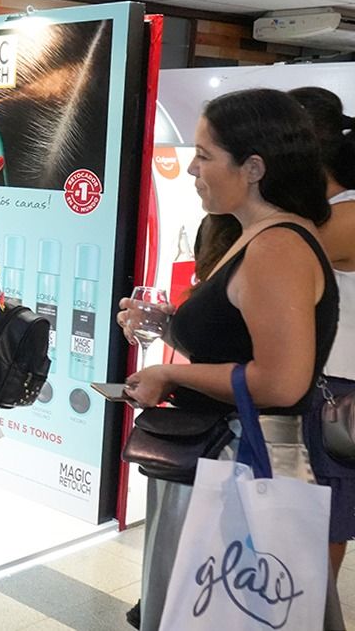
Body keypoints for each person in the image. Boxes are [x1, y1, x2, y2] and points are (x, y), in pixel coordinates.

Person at [117, 88, 341, 630]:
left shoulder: (276, 247)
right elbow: (236, 345)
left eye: (204, 154)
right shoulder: (252, 237)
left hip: (241, 460)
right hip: (222, 457)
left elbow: (283, 382)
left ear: (254, 167)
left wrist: (170, 371)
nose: (191, 167)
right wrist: (169, 326)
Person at [290, 86, 355, 578]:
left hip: (338, 389)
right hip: (323, 381)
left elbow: (268, 260)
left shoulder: (346, 216)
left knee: (324, 517)